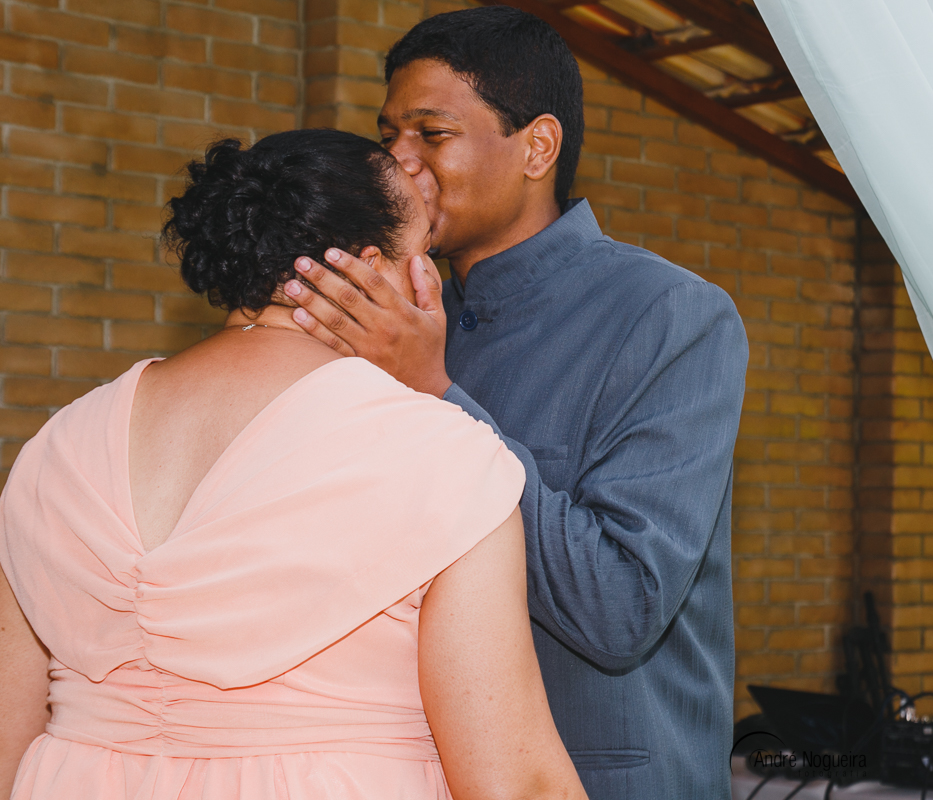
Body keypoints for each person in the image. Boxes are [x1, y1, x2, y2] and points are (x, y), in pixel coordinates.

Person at [0, 129, 586, 800]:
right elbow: (513, 782)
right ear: (373, 269)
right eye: (424, 247)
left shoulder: (60, 441)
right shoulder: (440, 457)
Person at [281, 7, 749, 800]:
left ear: (536, 147)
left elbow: (619, 607)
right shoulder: (406, 319)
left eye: (429, 134)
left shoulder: (669, 316)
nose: (395, 164)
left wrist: (432, 394)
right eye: (386, 135)